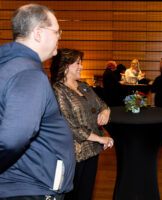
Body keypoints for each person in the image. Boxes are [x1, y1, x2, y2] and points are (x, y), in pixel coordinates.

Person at [0, 4, 75, 200]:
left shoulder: (9, 65)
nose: (59, 36)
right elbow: (13, 138)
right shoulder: (29, 73)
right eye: (57, 31)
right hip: (31, 189)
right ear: (38, 33)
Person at [50, 48, 114, 200]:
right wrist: (100, 139)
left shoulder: (84, 86)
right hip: (73, 155)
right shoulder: (58, 91)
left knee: (86, 193)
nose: (82, 66)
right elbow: (70, 126)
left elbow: (102, 104)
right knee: (72, 196)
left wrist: (106, 112)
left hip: (92, 151)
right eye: (78, 63)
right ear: (65, 66)